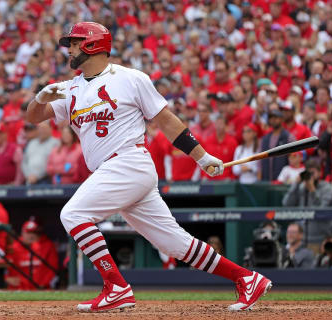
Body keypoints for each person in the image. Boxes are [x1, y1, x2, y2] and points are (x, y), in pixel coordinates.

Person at [26, 22, 271, 312]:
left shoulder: (130, 78)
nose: (70, 48)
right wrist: (39, 98)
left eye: (76, 42)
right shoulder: (69, 89)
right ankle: (247, 278)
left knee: (74, 214)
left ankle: (116, 287)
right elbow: (33, 118)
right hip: (117, 171)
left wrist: (202, 157)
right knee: (175, 245)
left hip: (128, 162)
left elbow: (165, 120)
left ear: (92, 44)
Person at [5, 218, 59, 290]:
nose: (31, 236)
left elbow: (53, 267)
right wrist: (5, 278)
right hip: (18, 289)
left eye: (34, 233)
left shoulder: (44, 247)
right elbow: (3, 267)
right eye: (28, 232)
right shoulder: (13, 248)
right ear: (22, 233)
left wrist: (44, 284)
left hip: (39, 289)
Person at [260, 109, 295, 181]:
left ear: (282, 119)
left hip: (282, 180)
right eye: (271, 118)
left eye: (275, 117)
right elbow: (260, 162)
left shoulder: (288, 137)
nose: (273, 120)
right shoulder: (265, 138)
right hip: (266, 178)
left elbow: (294, 158)